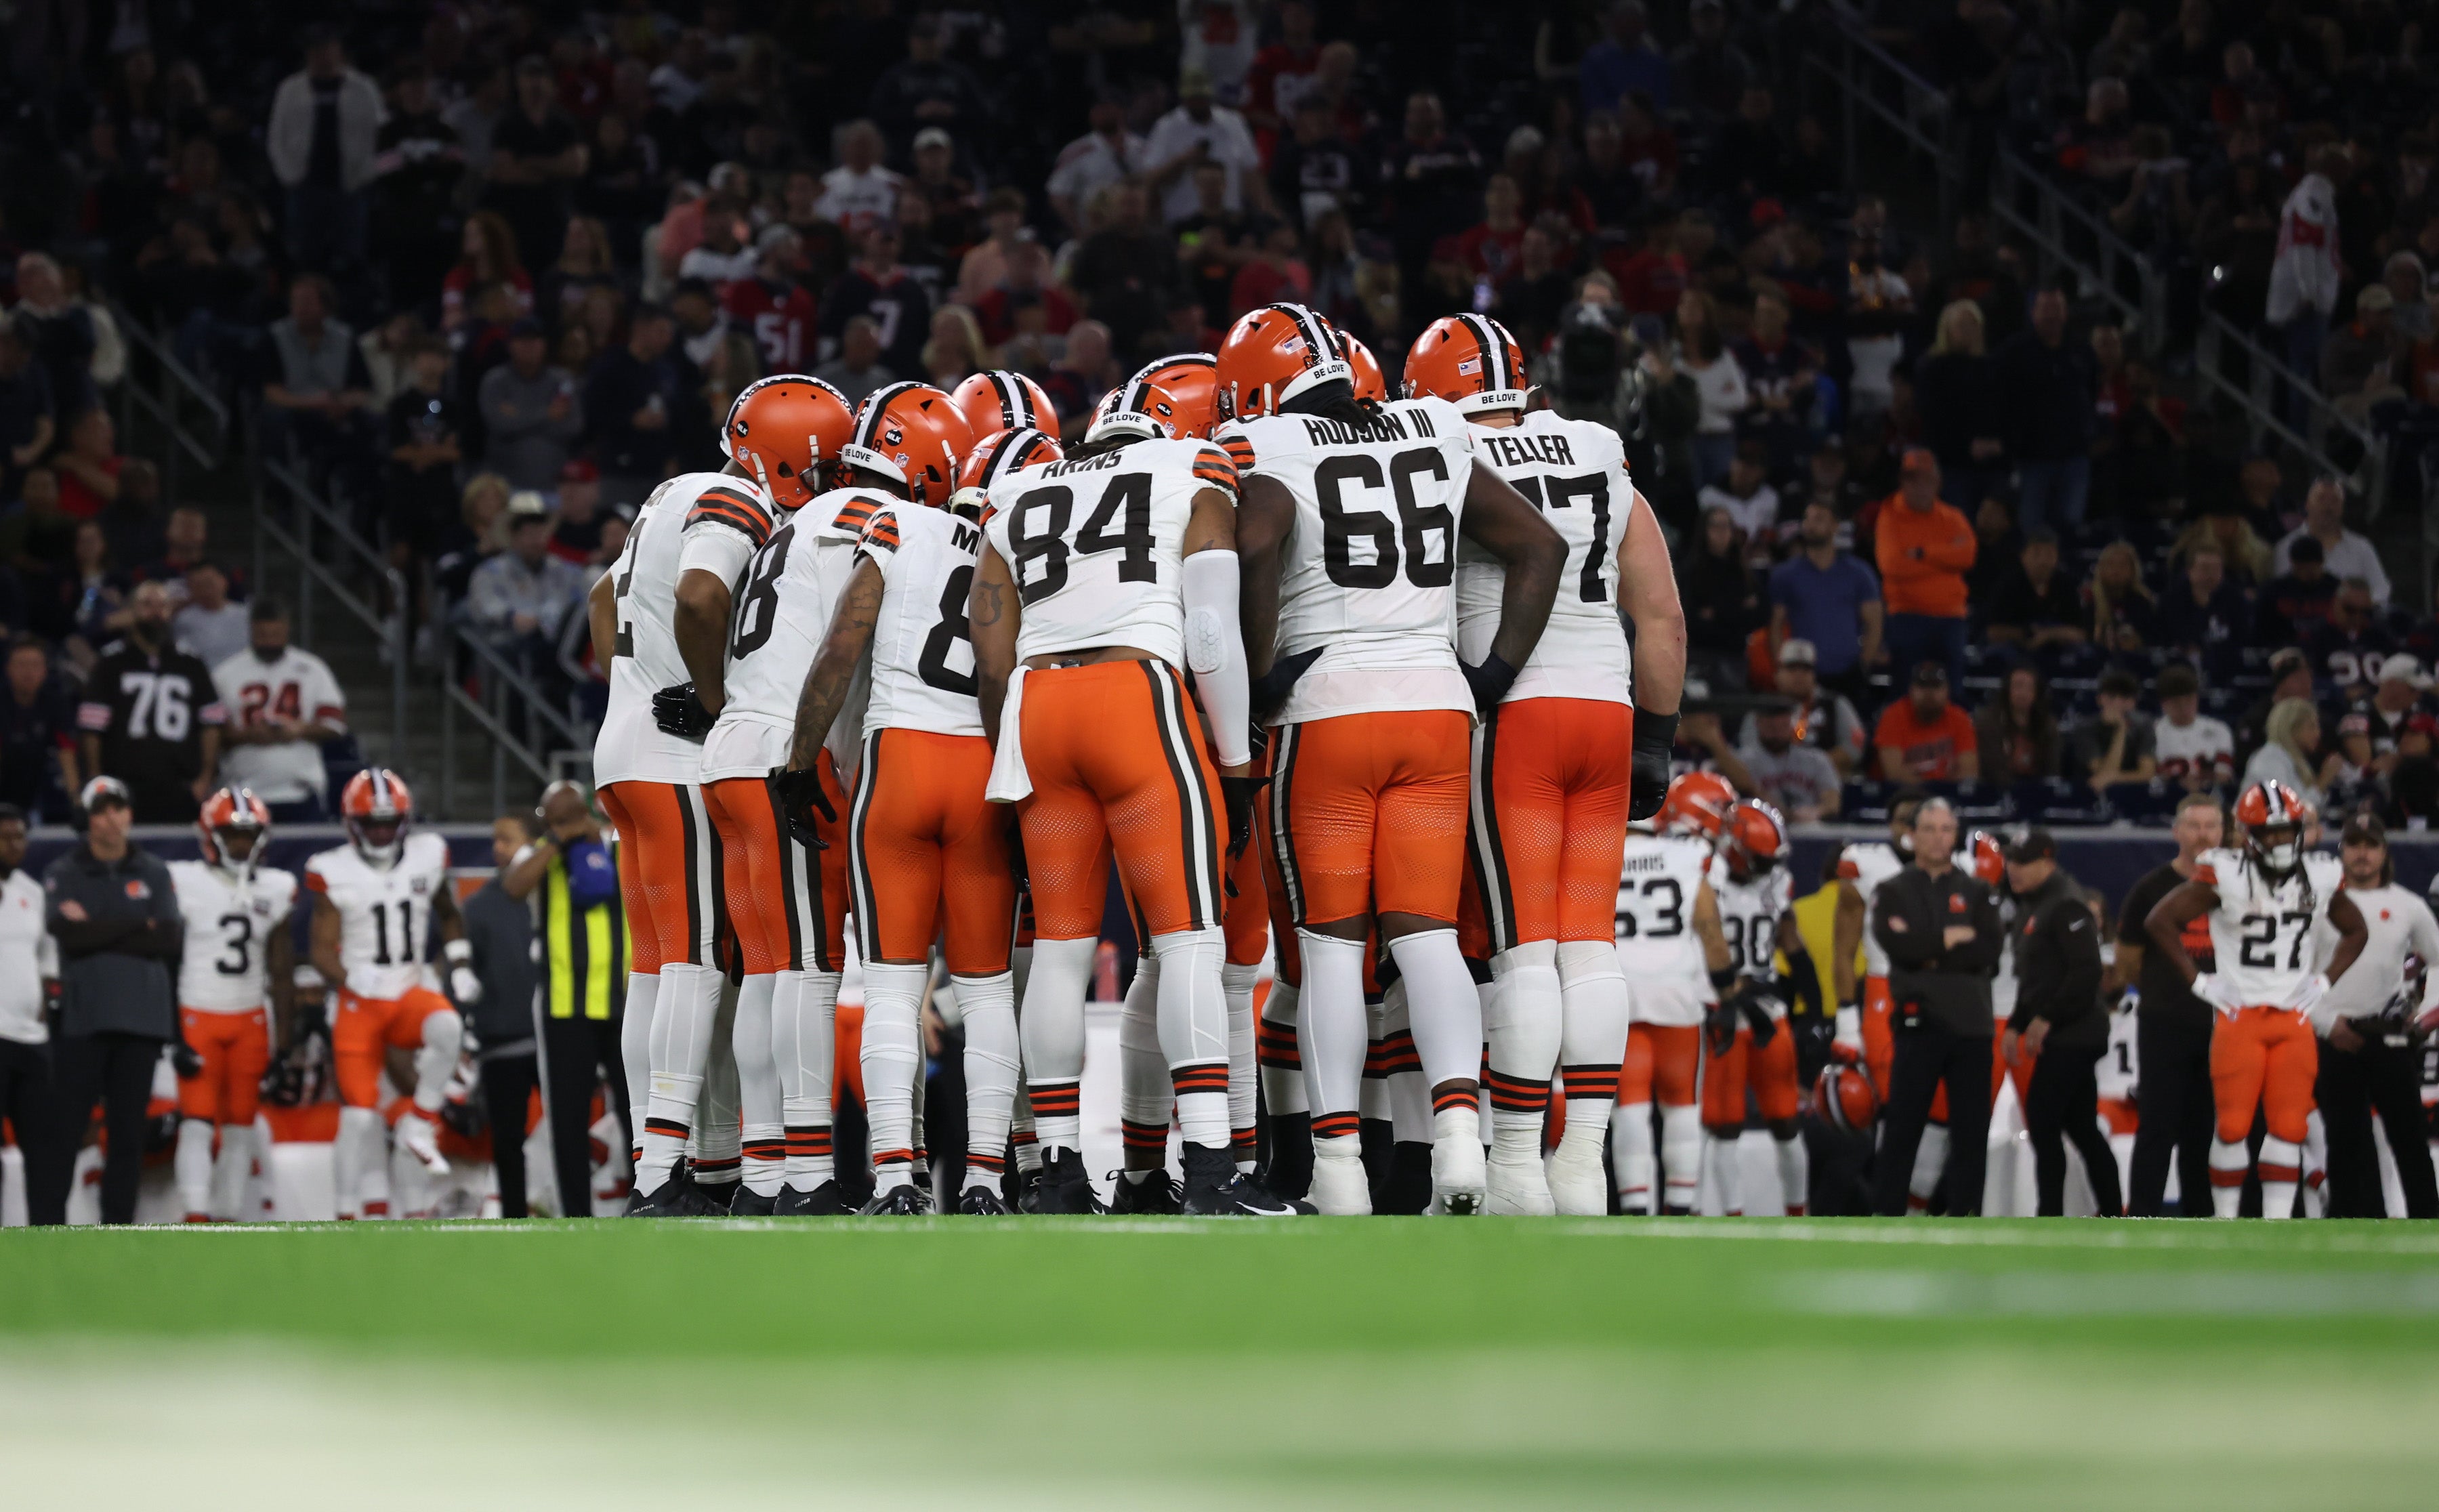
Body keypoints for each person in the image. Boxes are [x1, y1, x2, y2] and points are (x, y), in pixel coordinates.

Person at [1219, 304, 1568, 1215]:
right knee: (1429, 936)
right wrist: (1487, 678)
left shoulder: (1273, 442)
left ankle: (1337, 1174)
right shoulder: (1440, 424)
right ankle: (1459, 1141)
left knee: (1333, 953)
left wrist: (1256, 682)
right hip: (1435, 709)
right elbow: (1540, 543)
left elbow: (1255, 543)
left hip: (1329, 709)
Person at [966, 362, 1291, 1218]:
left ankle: (1060, 1168)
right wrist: (1233, 759)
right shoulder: (1192, 466)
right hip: (1134, 694)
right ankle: (1215, 1168)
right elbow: (1213, 623)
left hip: (1038, 704)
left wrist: (1010, 756)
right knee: (1186, 938)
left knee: (1062, 947)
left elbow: (989, 657)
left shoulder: (1022, 484)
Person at [1406, 312, 1683, 1216]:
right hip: (1605, 705)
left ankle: (1522, 1165)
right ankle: (1585, 1167)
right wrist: (1658, 736)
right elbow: (1663, 613)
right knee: (1591, 945)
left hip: (1514, 704)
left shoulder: (1441, 445)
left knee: (1527, 951)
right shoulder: (1596, 443)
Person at [779, 427, 1045, 1216]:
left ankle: (895, 1173)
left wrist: (800, 762)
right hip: (981, 768)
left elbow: (840, 647)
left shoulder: (900, 523)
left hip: (898, 763)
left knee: (892, 989)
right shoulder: (1024, 542)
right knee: (989, 991)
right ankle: (989, 1182)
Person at [607, 375, 856, 1217]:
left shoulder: (671, 490)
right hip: (678, 753)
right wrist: (710, 699)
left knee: (656, 968)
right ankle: (658, 1172)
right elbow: (702, 594)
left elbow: (599, 600)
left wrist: (637, 683)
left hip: (626, 745)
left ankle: (686, 1162)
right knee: (698, 962)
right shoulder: (734, 496)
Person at [688, 383, 939, 1217]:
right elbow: (849, 649)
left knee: (766, 973)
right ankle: (803, 1176)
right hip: (781, 751)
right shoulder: (874, 519)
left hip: (727, 751)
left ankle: (763, 1174)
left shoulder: (784, 523)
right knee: (806, 972)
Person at [2146, 780, 2367, 1217]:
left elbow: (2357, 929)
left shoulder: (2320, 875)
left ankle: (2277, 1228)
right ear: (2248, 834)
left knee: (2289, 1125)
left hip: (2293, 1018)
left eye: (2287, 830)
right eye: (2269, 832)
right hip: (2241, 1014)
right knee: (2231, 1127)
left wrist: (2324, 982)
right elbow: (2159, 921)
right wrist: (2200, 982)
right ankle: (2226, 1222)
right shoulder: (2225, 873)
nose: (2280, 840)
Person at [307, 768, 478, 1221]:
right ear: (352, 824)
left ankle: (421, 1122)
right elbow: (320, 949)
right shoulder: (332, 869)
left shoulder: (428, 854)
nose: (382, 832)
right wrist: (350, 977)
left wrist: (458, 965)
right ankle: (344, 1215)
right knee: (359, 1119)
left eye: (389, 822)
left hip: (406, 990)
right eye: (372, 823)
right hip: (360, 1003)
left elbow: (448, 913)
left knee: (447, 1026)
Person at [42, 776, 184, 1224]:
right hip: (84, 1022)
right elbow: (69, 935)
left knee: (127, 1136)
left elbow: (167, 938)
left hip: (142, 1022)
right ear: (87, 819)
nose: (111, 819)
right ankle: (49, 1229)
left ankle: (116, 1232)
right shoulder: (65, 870)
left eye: (118, 808)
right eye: (101, 811)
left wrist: (98, 929)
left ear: (130, 814)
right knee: (66, 1131)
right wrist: (135, 927)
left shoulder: (155, 871)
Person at [165, 789, 297, 1223]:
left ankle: (225, 1220)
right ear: (210, 835)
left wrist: (285, 1048)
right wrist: (171, 1033)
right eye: (233, 834)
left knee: (242, 1126)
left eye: (250, 834)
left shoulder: (278, 888)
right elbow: (166, 962)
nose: (242, 844)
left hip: (250, 1018)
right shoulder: (184, 880)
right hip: (197, 1010)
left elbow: (282, 972)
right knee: (198, 1122)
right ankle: (196, 1215)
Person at [499, 781, 631, 1219]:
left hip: (624, 999)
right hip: (564, 1005)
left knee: (636, 1110)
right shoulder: (539, 854)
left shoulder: (618, 842)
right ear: (545, 820)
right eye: (556, 818)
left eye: (573, 815)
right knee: (568, 1116)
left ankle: (646, 1199)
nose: (566, 824)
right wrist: (557, 841)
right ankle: (577, 1214)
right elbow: (514, 887)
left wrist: (592, 834)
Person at [1871, 797, 2004, 1216]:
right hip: (1919, 1022)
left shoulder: (1978, 891)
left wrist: (1926, 948)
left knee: (1970, 1133)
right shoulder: (1892, 890)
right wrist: (1948, 940)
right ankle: (1886, 1219)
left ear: (1956, 835)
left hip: (1973, 1027)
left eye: (1945, 830)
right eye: (1929, 829)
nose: (1937, 838)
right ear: (1913, 835)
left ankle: (1966, 1219)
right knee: (1902, 1127)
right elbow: (1897, 948)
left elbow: (1988, 951)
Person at [2307, 815, 2439, 1218]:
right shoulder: (2317, 904)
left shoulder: (2408, 905)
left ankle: (2428, 1222)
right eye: (2354, 844)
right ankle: (2350, 1223)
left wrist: (2427, 1014)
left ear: (2384, 852)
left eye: (2370, 845)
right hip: (2334, 1034)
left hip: (2390, 1035)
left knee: (2410, 1138)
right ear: (2341, 851)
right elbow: (2296, 973)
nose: (2362, 853)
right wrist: (2327, 1023)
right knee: (2344, 1140)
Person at [1615, 774, 1735, 1215]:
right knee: (1681, 1103)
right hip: (1678, 995)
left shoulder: (1601, 854)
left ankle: (1635, 1205)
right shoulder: (1688, 856)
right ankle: (1681, 1205)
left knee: (1630, 1105)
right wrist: (1727, 994)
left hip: (1621, 992)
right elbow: (1711, 932)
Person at [2001, 828, 2123, 1217]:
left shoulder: (2067, 902)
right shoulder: (2032, 903)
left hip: (2077, 1032)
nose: (2013, 870)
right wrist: (2017, 1023)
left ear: (2047, 862)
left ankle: (2050, 1213)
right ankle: (2109, 1211)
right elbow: (2035, 977)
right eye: (2011, 861)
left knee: (2043, 1116)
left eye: (2024, 862)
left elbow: (2086, 972)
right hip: (2065, 1031)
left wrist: (2044, 1019)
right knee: (2081, 1127)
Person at [1700, 799, 1811, 1215]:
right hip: (1722, 1012)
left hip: (1767, 1012)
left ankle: (1799, 1214)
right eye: (1760, 859)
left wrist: (1816, 1008)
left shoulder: (1776, 881)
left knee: (1786, 1120)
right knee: (1724, 1125)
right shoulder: (1707, 876)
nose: (1768, 868)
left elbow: (1791, 944)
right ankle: (1733, 1219)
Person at [77, 580, 225, 822]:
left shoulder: (191, 663)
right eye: (147, 604)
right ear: (131, 611)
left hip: (181, 786)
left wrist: (206, 777)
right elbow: (92, 728)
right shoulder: (111, 663)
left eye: (162, 605)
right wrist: (97, 778)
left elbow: (211, 723)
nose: (156, 612)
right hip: (124, 785)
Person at [461, 813, 544, 1217]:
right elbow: (462, 973)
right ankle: (515, 1219)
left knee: (570, 1132)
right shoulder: (479, 907)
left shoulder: (560, 894)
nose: (498, 848)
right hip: (504, 1038)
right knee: (508, 1141)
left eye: (507, 840)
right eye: (495, 840)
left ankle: (571, 1207)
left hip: (557, 1035)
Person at [211, 597, 345, 822]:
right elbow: (211, 734)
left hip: (300, 791)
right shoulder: (225, 674)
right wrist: (248, 735)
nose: (270, 642)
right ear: (252, 630)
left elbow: (336, 725)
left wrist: (299, 730)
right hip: (243, 793)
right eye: (263, 635)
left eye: (275, 634)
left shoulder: (313, 669)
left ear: (287, 629)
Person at [264, 29, 381, 272]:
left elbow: (379, 134)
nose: (322, 55)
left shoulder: (363, 88)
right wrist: (290, 175)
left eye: (327, 47)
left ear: (338, 50)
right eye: (316, 49)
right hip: (305, 187)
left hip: (350, 186)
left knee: (351, 258)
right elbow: (277, 137)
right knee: (304, 257)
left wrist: (365, 174)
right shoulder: (290, 89)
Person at [0, 803, 68, 1224]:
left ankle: (49, 1250)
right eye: (5, 837)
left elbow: (48, 960)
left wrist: (43, 1005)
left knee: (45, 1153)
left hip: (31, 1041)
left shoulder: (32, 891)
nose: (14, 845)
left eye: (20, 836)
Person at [1995, 289, 2097, 537]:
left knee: (2071, 523)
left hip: (2073, 455)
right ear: (2033, 313)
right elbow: (2001, 398)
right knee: (2032, 527)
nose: (2051, 315)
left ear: (2066, 313)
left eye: (2056, 308)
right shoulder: (2015, 351)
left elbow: (2091, 392)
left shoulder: (2080, 350)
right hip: (2032, 457)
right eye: (2045, 308)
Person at [1873, 448, 1976, 695]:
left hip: (1951, 618)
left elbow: (1967, 556)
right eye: (1912, 480)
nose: (1919, 487)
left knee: (1953, 694)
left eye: (1926, 479)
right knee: (1905, 693)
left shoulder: (1953, 517)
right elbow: (1892, 565)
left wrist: (1922, 553)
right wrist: (1944, 561)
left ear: (1938, 483)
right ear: (1902, 482)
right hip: (1908, 616)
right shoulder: (1889, 514)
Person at [1767, 503, 1882, 705]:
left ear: (1835, 526)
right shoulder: (1785, 575)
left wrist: (1864, 665)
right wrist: (1784, 666)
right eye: (1807, 518)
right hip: (1803, 674)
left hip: (1848, 674)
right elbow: (1776, 624)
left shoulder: (1859, 574)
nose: (1810, 525)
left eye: (1819, 519)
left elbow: (1874, 623)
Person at [467, 492, 589, 652]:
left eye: (541, 533)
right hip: (508, 647)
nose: (537, 540)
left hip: (558, 644)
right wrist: (513, 618)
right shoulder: (490, 572)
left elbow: (581, 604)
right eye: (530, 534)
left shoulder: (565, 571)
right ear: (514, 536)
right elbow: (486, 607)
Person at [478, 318, 583, 492]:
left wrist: (519, 418)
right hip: (505, 486)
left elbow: (573, 426)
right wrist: (548, 415)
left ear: (544, 344)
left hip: (555, 484)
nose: (529, 346)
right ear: (510, 345)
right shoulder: (495, 381)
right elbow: (500, 426)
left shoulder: (562, 380)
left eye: (535, 340)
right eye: (522, 340)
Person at [1740, 637, 1866, 778]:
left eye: (1806, 669)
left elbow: (1854, 747)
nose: (1799, 675)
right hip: (1771, 781)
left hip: (1827, 782)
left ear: (1814, 675)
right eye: (1792, 668)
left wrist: (1811, 768)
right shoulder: (1765, 706)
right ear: (1777, 674)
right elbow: (1748, 749)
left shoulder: (1836, 704)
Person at [2271, 475, 2392, 607]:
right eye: (2321, 499)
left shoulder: (2362, 548)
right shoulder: (2286, 547)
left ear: (2342, 508)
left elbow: (2380, 590)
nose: (2328, 507)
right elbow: (2281, 593)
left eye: (2335, 501)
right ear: (2307, 505)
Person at [1, 636, 79, 819]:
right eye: (21, 665)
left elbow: (67, 754)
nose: (28, 672)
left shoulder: (56, 703)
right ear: (8, 669)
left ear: (45, 671)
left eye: (35, 665)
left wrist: (77, 804)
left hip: (40, 785)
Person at [1738, 697, 1842, 820]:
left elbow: (1832, 802)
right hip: (1762, 826)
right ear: (1758, 723)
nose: (1777, 733)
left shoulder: (1816, 759)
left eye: (1783, 726)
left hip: (1810, 828)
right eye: (1771, 727)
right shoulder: (1743, 761)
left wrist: (1817, 812)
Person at [1874, 662, 1980, 782]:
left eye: (1936, 686)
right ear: (1911, 689)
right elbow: (1895, 774)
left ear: (1947, 690)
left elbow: (1969, 772)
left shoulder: (1959, 717)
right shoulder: (1893, 716)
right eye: (1923, 686)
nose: (1929, 693)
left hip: (1949, 797)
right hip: (1903, 796)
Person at [1985, 531, 2086, 649]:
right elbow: (1993, 632)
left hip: (2057, 650)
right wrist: (2027, 634)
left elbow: (2079, 633)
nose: (2043, 561)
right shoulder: (2007, 585)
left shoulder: (2066, 584)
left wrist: (2048, 635)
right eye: (2036, 553)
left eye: (2049, 554)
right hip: (2016, 649)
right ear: (2023, 556)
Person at [2066, 669, 2160, 795]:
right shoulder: (2085, 729)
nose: (2118, 703)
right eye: (2112, 697)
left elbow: (2147, 773)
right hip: (2091, 795)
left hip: (2133, 794)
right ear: (2100, 699)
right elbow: (2103, 773)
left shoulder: (2144, 726)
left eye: (2125, 698)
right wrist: (2120, 731)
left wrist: (2116, 778)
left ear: (2134, 702)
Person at [2154, 661, 2235, 791]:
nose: (2184, 707)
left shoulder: (2219, 730)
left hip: (2210, 798)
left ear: (2196, 698)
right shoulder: (2154, 732)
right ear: (2164, 704)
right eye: (2177, 702)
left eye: (2189, 700)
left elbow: (2224, 775)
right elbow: (2151, 777)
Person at [2240, 697, 2327, 812]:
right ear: (2292, 728)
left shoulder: (2290, 759)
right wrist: (2324, 781)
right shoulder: (2270, 759)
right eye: (2311, 727)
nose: (2318, 734)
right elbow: (2282, 810)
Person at [172, 560, 249, 670]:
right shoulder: (183, 620)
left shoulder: (246, 615)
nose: (206, 590)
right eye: (199, 585)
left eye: (209, 583)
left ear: (224, 581)